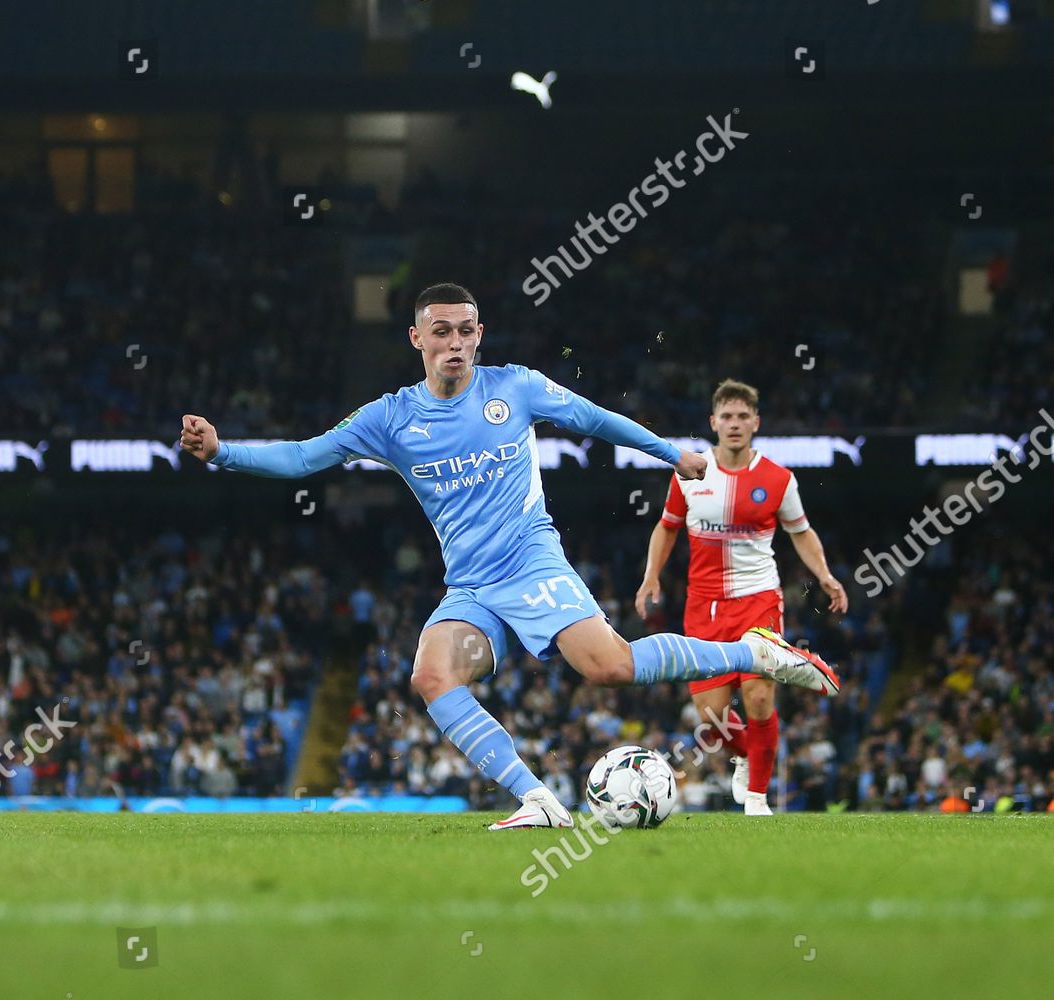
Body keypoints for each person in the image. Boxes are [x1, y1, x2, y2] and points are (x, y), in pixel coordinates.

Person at [180, 282, 838, 830]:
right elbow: (302, 456)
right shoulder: (389, 418)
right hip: (470, 586)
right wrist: (223, 453)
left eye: (466, 330)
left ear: (480, 334)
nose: (455, 343)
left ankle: (754, 653)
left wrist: (671, 451)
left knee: (610, 668)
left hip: (532, 565)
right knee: (431, 676)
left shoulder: (515, 387)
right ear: (417, 340)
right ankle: (538, 801)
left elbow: (593, 418)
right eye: (441, 331)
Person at [635, 379, 847, 815]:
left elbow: (801, 533)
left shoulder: (778, 479)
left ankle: (757, 797)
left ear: (756, 422)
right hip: (704, 605)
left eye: (742, 416)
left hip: (758, 600)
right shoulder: (689, 471)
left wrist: (825, 576)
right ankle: (745, 755)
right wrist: (651, 576)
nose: (734, 424)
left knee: (759, 698)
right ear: (713, 422)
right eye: (726, 417)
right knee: (710, 718)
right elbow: (667, 526)